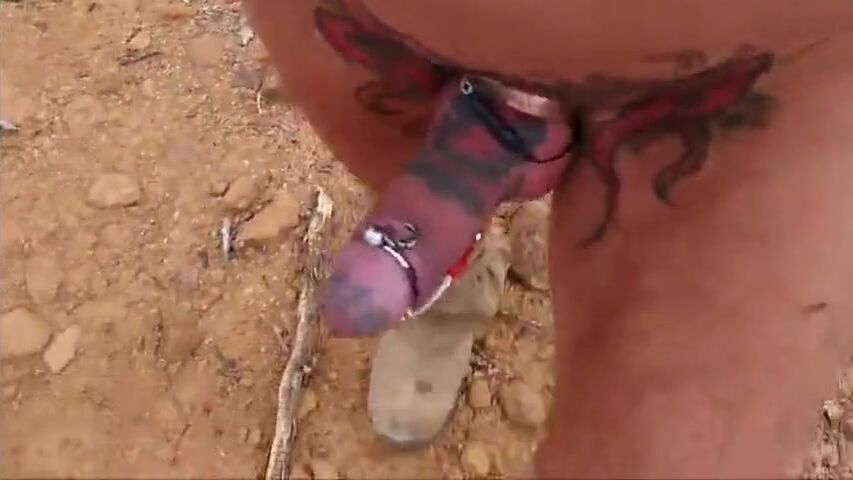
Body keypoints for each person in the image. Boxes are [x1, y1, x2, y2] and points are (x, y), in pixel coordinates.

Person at [243, 0, 853, 476]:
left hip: (754, 71)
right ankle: (453, 290)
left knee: (666, 446)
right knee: (388, 161)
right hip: (375, 22)